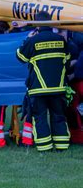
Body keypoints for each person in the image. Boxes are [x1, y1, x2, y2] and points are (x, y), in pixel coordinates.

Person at [16, 11, 71, 152]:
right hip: (58, 88)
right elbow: (68, 59)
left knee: (40, 118)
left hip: (38, 88)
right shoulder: (60, 40)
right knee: (59, 116)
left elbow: (20, 57)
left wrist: (27, 39)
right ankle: (62, 146)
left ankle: (45, 147)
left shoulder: (33, 40)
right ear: (50, 21)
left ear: (36, 23)